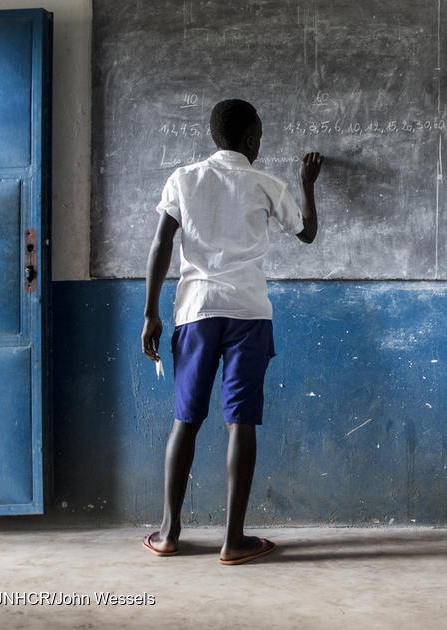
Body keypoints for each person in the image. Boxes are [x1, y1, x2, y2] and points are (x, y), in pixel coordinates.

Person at [140, 98, 322, 565]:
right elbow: (307, 234)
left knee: (187, 419)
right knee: (240, 420)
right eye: (259, 134)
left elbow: (162, 242)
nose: (260, 141)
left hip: (195, 311)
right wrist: (306, 184)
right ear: (250, 140)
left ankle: (167, 532)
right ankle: (233, 540)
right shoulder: (265, 183)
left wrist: (150, 312)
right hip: (247, 313)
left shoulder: (184, 178)